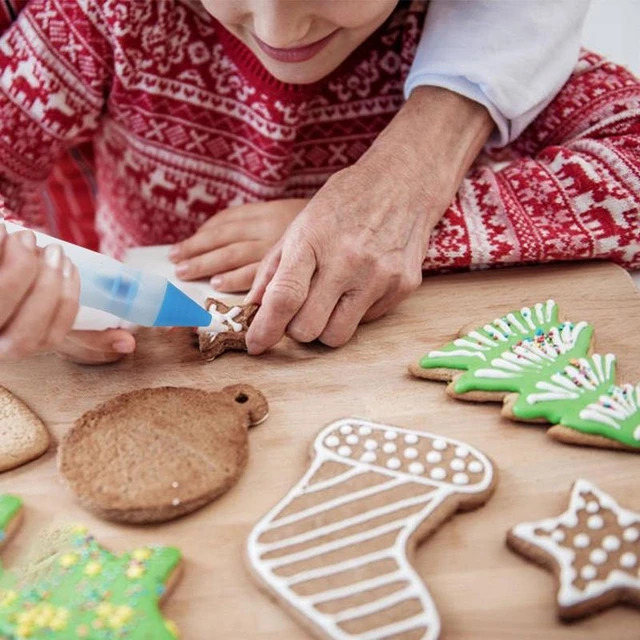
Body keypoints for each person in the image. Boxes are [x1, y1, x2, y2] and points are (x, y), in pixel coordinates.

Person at [1, 0, 637, 364]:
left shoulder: (440, 25)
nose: (282, 31)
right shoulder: (109, 18)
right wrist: (30, 282)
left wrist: (411, 227)